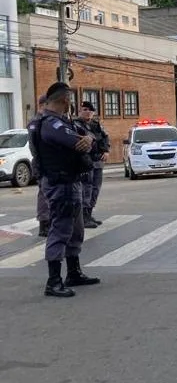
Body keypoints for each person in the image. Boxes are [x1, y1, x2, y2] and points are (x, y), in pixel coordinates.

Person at [33, 82, 99, 298]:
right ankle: (53, 281)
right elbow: (74, 141)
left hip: (71, 182)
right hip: (60, 184)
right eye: (69, 100)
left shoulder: (63, 122)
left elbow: (88, 139)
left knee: (76, 230)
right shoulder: (51, 124)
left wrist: (88, 139)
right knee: (61, 230)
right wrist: (86, 141)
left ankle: (73, 272)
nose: (71, 104)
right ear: (64, 101)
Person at [73, 101, 110, 228]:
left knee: (95, 188)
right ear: (79, 111)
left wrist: (106, 151)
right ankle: (84, 216)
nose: (87, 112)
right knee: (86, 188)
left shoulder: (96, 124)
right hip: (85, 161)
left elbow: (105, 138)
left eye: (90, 110)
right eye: (84, 109)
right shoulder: (76, 125)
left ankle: (89, 213)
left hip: (97, 161)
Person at [28, 94, 50, 237]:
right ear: (43, 105)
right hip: (42, 163)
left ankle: (48, 222)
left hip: (48, 162)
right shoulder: (36, 122)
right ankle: (44, 224)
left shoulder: (45, 120)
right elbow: (34, 147)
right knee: (44, 194)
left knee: (48, 193)